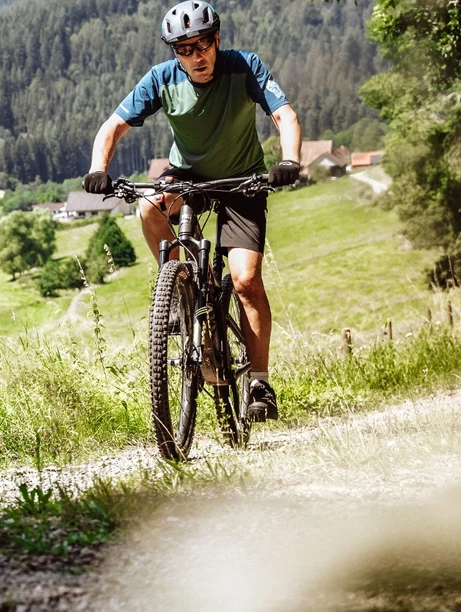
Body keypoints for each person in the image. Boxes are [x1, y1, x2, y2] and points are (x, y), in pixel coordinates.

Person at [81, 0, 301, 421]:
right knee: (150, 205)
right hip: (186, 176)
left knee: (245, 280)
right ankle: (180, 291)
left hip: (242, 182)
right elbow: (113, 126)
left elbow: (284, 115)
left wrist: (289, 160)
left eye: (202, 45)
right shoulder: (162, 79)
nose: (195, 56)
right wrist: (98, 169)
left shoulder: (244, 67)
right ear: (174, 52)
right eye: (183, 49)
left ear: (216, 40)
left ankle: (258, 381)